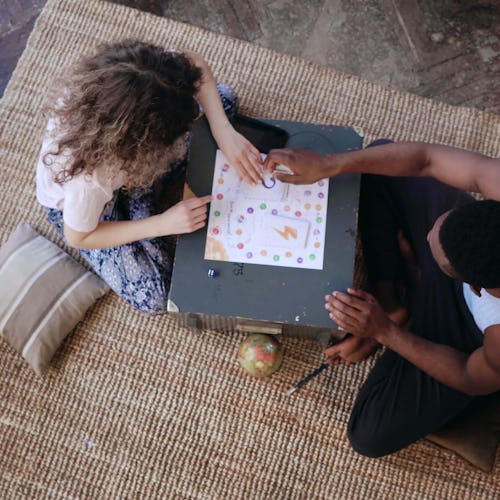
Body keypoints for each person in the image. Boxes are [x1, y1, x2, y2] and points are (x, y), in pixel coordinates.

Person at [264, 141, 500, 457]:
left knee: (370, 434)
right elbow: (425, 160)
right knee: (376, 162)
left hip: (467, 333)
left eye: (432, 245)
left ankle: (411, 299)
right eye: (433, 230)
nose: (427, 235)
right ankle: (392, 296)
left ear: (475, 287)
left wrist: (385, 332)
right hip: (472, 260)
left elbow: (471, 376)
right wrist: (330, 162)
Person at [36, 40, 263, 314]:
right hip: (88, 216)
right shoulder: (88, 181)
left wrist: (223, 131)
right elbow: (80, 236)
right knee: (155, 297)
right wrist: (161, 224)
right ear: (140, 146)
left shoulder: (150, 74)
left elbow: (196, 66)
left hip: (125, 169)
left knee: (223, 100)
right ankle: (141, 204)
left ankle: (142, 198)